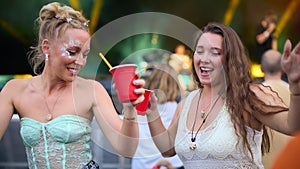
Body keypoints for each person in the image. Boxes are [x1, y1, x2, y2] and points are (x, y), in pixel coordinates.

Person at [0, 2, 145, 169]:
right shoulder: (14, 90)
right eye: (72, 52)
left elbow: (127, 149)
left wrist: (129, 108)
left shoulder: (92, 90)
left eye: (85, 54)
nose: (80, 62)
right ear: (46, 47)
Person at [145, 22, 300, 168]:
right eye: (199, 51)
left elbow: (292, 126)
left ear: (229, 59)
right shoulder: (186, 103)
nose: (204, 59)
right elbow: (167, 148)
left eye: (215, 52)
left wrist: (296, 85)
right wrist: (151, 112)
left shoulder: (246, 97)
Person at [131, 64, 184, 169]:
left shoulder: (140, 106)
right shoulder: (180, 107)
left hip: (141, 164)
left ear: (151, 80)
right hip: (173, 164)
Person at [260, 49, 291, 168]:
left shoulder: (254, 95)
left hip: (265, 162)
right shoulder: (294, 94)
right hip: (292, 161)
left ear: (262, 68)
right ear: (282, 68)